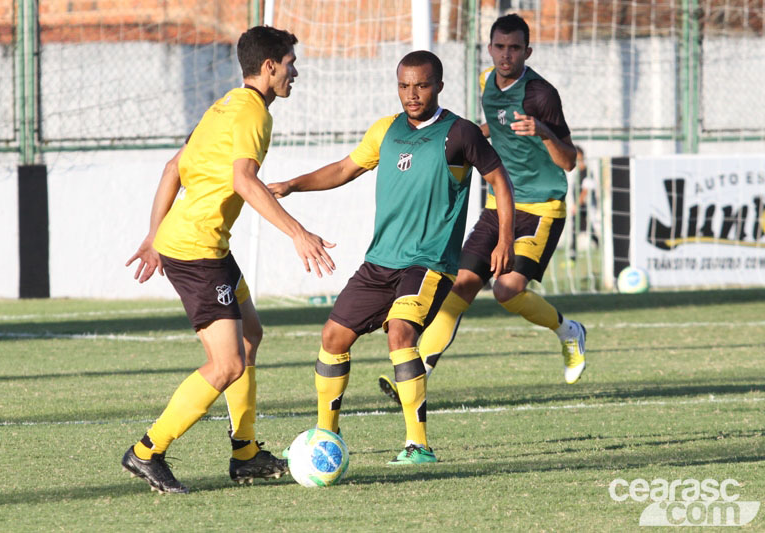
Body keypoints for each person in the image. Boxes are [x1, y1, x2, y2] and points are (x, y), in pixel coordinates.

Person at [268, 51, 515, 465]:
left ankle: (418, 445)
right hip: (381, 261)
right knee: (333, 337)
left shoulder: (460, 133)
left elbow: (499, 181)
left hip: (428, 262)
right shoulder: (386, 130)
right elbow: (345, 168)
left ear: (438, 85)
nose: (412, 94)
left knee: (400, 333)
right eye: (404, 86)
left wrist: (504, 237)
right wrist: (293, 184)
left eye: (420, 85)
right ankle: (327, 436)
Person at [122, 26, 336, 494]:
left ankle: (245, 454)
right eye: (290, 63)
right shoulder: (254, 115)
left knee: (251, 334)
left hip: (205, 244)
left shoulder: (226, 104)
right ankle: (146, 451)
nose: (294, 72)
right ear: (270, 66)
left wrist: (154, 235)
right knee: (227, 366)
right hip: (199, 253)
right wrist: (298, 233)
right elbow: (244, 180)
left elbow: (171, 168)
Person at [379, 14, 586, 406]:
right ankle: (418, 370)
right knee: (460, 287)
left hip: (541, 207)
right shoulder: (486, 81)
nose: (506, 55)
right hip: (499, 204)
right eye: (500, 47)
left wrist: (542, 132)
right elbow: (497, 122)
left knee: (507, 290)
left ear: (528, 51)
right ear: (490, 49)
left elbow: (569, 161)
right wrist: (475, 134)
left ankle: (568, 331)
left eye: (514, 48)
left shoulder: (541, 94)